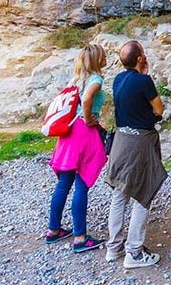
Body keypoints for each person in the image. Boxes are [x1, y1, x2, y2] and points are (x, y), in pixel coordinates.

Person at [104, 40, 166, 269]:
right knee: (143, 193)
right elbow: (158, 109)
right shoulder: (144, 81)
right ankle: (135, 253)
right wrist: (145, 76)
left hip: (121, 140)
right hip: (140, 141)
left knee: (120, 194)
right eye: (143, 52)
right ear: (140, 58)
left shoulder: (119, 79)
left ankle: (114, 248)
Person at [45, 43, 108, 252]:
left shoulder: (75, 80)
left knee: (64, 184)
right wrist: (89, 118)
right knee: (81, 184)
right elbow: (88, 98)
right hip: (84, 132)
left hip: (69, 133)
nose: (106, 57)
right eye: (103, 55)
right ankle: (80, 238)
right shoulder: (95, 80)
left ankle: (54, 230)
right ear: (98, 59)